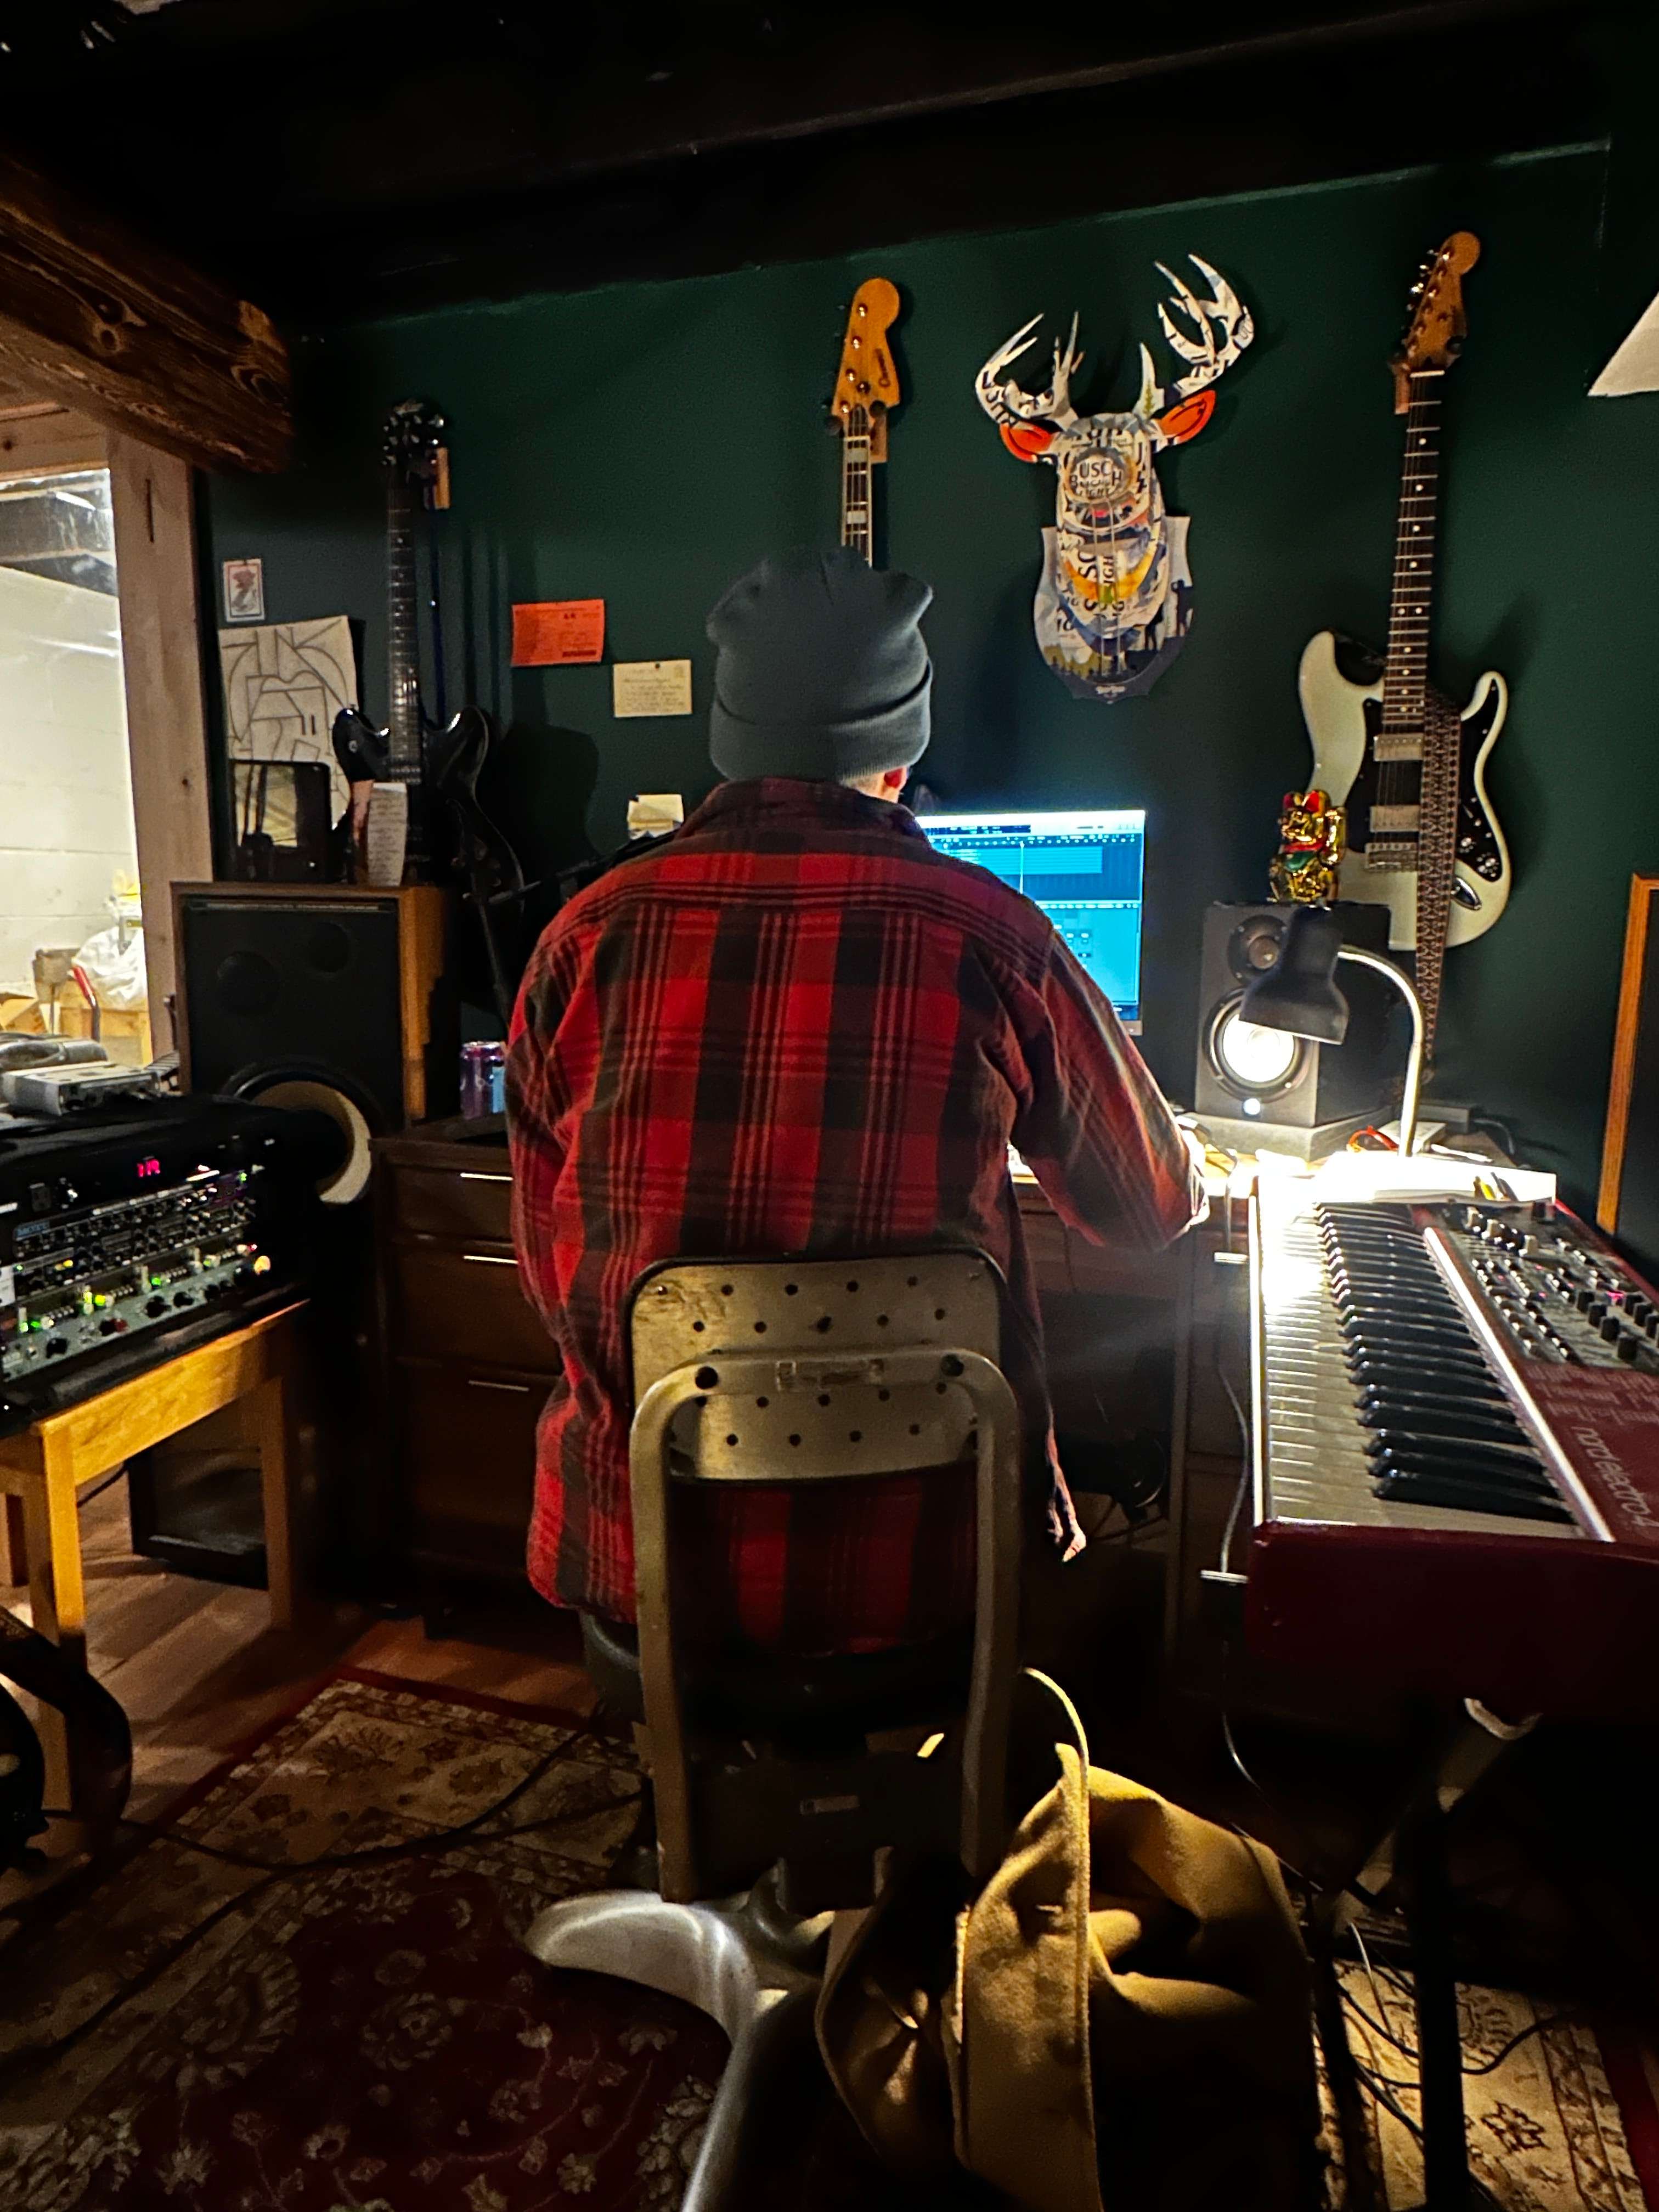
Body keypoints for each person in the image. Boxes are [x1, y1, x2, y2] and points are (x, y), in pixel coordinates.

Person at [506, 546, 1203, 1655]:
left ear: (727, 743)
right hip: (931, 1566)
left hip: (646, 1553)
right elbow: (1149, 1210)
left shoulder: (582, 936)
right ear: (898, 760)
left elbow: (550, 1269)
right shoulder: (993, 932)